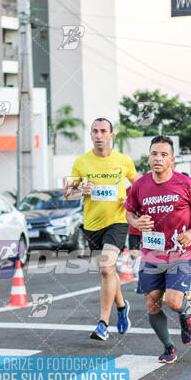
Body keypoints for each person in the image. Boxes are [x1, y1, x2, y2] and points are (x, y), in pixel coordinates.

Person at [125, 135, 191, 364]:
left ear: (172, 159)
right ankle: (168, 347)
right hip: (152, 253)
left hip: (181, 252)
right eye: (154, 154)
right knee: (152, 303)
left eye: (163, 154)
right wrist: (135, 223)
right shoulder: (139, 186)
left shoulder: (185, 183)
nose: (158, 158)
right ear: (148, 157)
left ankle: (186, 313)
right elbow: (129, 212)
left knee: (173, 301)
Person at [64, 117, 139, 341]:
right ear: (91, 135)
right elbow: (68, 195)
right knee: (108, 272)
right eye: (95, 131)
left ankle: (103, 323)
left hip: (117, 221)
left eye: (103, 131)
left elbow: (140, 187)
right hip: (92, 225)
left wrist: (132, 203)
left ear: (111, 135)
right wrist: (82, 191)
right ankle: (122, 306)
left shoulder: (124, 161)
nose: (99, 135)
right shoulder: (81, 162)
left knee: (107, 268)